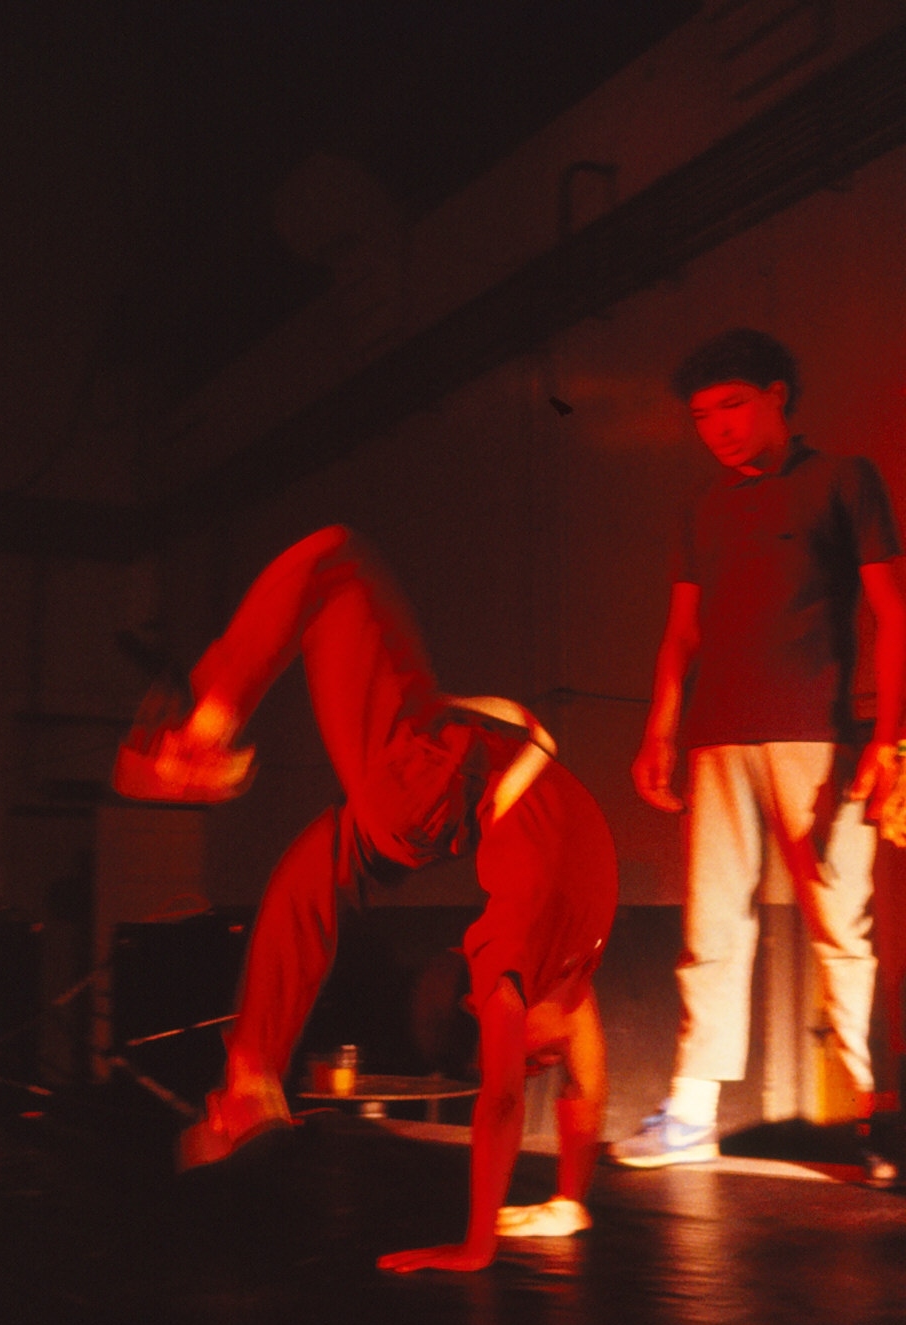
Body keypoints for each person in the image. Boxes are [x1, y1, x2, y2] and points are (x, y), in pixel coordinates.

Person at [113, 525, 618, 1270]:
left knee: (336, 561)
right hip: (440, 803)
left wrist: (475, 1244)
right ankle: (251, 1081)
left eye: (527, 1056)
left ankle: (201, 734)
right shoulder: (571, 984)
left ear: (479, 1006)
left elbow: (504, 1101)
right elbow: (583, 1090)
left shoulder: (514, 961)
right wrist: (568, 1202)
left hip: (429, 782)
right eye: (546, 1061)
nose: (546, 1059)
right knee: (309, 876)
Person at [613, 329, 905, 1184]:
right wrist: (660, 729)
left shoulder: (843, 478)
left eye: (734, 406)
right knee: (710, 928)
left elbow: (892, 611)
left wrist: (889, 738)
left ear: (778, 394)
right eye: (703, 416)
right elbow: (683, 631)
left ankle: (875, 1116)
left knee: (841, 927)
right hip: (717, 737)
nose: (720, 428)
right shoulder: (701, 506)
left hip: (818, 731)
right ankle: (691, 1112)